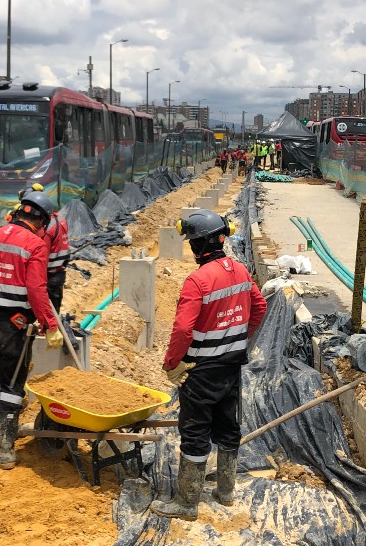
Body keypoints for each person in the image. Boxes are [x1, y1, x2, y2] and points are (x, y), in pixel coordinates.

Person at [151, 210, 267, 520]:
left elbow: (182, 330)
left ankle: (187, 503)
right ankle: (225, 491)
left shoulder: (197, 280)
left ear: (197, 246)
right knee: (228, 427)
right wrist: (239, 337)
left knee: (195, 432)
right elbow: (259, 307)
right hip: (231, 367)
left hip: (200, 371)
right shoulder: (240, 271)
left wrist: (171, 363)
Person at [0, 192, 63, 469]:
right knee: (13, 384)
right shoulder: (35, 245)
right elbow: (36, 288)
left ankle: (2, 426)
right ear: (42, 221)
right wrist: (50, 325)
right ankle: (7, 449)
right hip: (13, 325)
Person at [24, 184, 70, 312]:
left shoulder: (45, 229)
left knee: (45, 310)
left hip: (48, 274)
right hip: (59, 270)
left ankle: (48, 329)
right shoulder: (59, 218)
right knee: (54, 307)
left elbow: (39, 256)